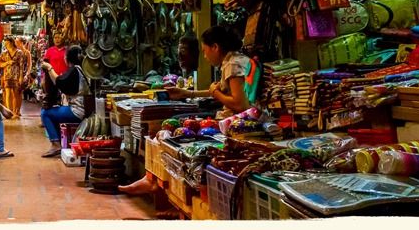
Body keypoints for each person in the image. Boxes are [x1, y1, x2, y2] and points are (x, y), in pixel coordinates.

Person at [118, 26, 258, 194]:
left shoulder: (233, 64)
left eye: (205, 51)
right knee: (166, 132)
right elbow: (222, 91)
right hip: (226, 121)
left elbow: (239, 104)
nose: (205, 57)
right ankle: (152, 178)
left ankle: (153, 180)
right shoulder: (232, 60)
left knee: (166, 134)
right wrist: (187, 93)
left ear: (215, 47)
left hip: (232, 125)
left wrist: (215, 93)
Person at [39, 45, 89, 157]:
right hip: (81, 109)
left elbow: (60, 82)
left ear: (67, 58)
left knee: (45, 113)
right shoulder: (79, 70)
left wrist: (49, 68)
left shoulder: (74, 71)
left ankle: (55, 144)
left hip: (77, 111)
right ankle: (58, 142)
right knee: (53, 111)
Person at [0, 37, 26, 119]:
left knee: (15, 94)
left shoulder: (19, 53)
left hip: (16, 75)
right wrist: (7, 63)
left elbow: (21, 66)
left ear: (12, 43)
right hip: (7, 75)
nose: (6, 45)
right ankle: (9, 112)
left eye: (7, 43)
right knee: (8, 93)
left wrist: (21, 77)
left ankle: (15, 111)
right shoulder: (4, 53)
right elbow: (0, 64)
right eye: (5, 43)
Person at [41, 31, 69, 109]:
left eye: (59, 37)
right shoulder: (50, 50)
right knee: (51, 99)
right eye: (55, 38)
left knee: (64, 99)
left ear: (63, 38)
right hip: (51, 79)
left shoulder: (67, 51)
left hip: (64, 78)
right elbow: (44, 65)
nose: (57, 40)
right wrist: (43, 78)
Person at [15, 37, 33, 115]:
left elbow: (29, 65)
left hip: (23, 74)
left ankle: (18, 110)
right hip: (15, 74)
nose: (16, 44)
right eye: (16, 42)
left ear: (22, 43)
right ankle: (15, 109)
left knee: (19, 92)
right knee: (15, 92)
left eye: (18, 42)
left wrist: (27, 74)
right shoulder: (16, 52)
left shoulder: (27, 52)